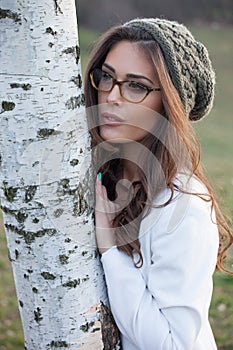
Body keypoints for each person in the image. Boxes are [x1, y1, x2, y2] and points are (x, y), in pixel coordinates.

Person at [84, 18, 233, 349]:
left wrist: (109, 245)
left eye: (136, 86)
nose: (111, 96)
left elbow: (173, 344)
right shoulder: (100, 174)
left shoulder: (184, 205)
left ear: (169, 105)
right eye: (106, 77)